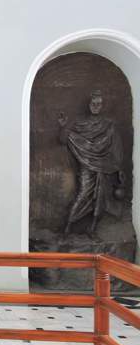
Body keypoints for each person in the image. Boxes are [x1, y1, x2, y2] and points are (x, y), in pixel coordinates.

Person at [58, 90, 124, 236]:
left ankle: (92, 230)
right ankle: (67, 229)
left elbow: (117, 149)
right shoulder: (80, 123)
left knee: (101, 199)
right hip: (86, 166)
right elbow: (63, 140)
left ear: (102, 106)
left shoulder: (108, 125)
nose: (95, 106)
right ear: (89, 104)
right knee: (82, 195)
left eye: (98, 104)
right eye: (93, 103)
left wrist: (119, 170)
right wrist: (64, 126)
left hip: (104, 167)